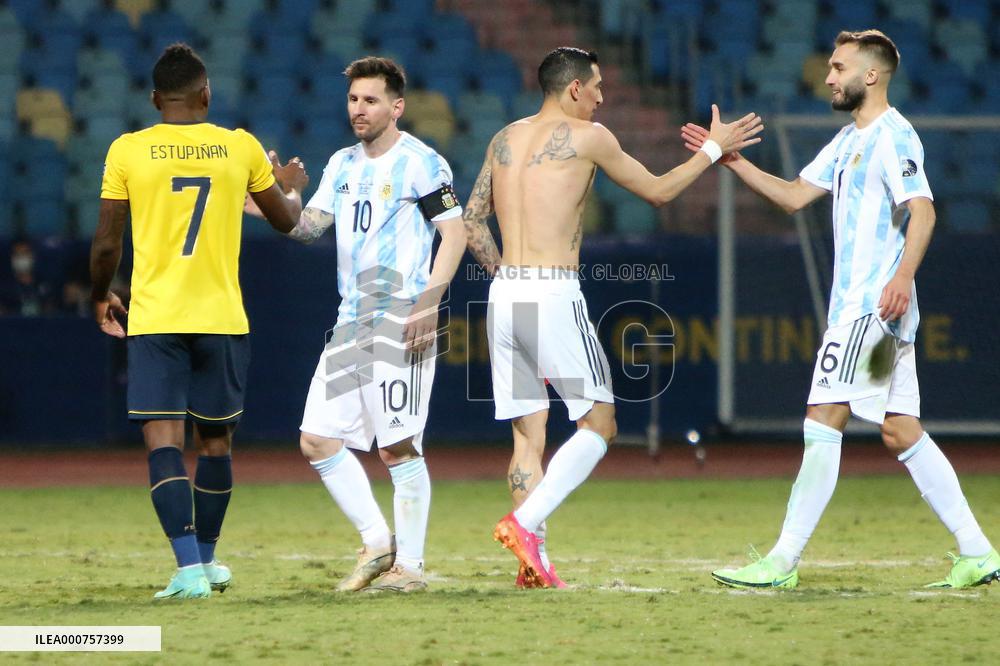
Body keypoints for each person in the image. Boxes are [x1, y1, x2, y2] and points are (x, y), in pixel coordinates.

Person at [682, 30, 999, 589]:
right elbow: (791, 196)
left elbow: (922, 213)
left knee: (822, 420)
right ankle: (978, 552)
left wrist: (901, 276)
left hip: (870, 309)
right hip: (879, 314)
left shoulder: (894, 136)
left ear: (870, 75)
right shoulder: (848, 140)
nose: (827, 77)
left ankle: (782, 561)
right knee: (900, 430)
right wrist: (727, 160)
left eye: (838, 67)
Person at [462, 46, 763, 588]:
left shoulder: (503, 137)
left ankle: (535, 566)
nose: (602, 97)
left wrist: (506, 272)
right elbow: (658, 191)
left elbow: (472, 219)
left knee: (528, 437)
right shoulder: (590, 137)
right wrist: (714, 150)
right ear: (574, 88)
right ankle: (524, 524)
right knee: (600, 423)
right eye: (596, 87)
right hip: (551, 294)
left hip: (505, 295)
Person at [89, 43, 308, 599]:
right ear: (206, 94)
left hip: (157, 316)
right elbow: (285, 222)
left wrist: (100, 294)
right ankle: (207, 562)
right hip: (221, 316)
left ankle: (188, 570)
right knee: (215, 444)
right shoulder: (239, 147)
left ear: (156, 98)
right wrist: (290, 187)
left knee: (164, 443)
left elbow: (108, 241)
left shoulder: (127, 150)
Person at [249, 56, 466, 593]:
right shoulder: (342, 164)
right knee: (317, 439)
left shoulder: (423, 163)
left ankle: (410, 568)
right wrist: (269, 193)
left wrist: (428, 303)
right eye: (353, 100)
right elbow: (304, 227)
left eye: (370, 100)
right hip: (351, 323)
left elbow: (455, 234)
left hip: (401, 318)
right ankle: (377, 541)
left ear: (397, 107)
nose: (359, 110)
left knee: (397, 448)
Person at [0, 238, 57, 316]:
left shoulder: (45, 283)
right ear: (12, 258)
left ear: (32, 256)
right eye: (17, 254)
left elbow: (51, 313)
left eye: (24, 253)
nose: (21, 258)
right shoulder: (4, 287)